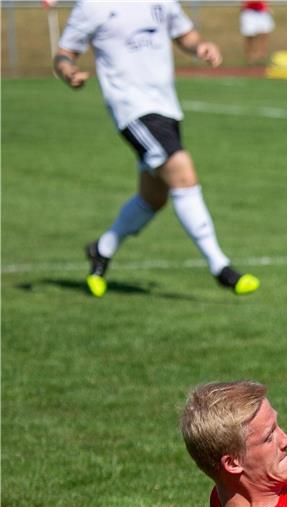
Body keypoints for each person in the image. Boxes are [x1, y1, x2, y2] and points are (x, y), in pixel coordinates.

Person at [53, 1, 259, 298]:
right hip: (131, 109)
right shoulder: (92, 6)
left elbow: (184, 34)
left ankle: (102, 249)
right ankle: (221, 267)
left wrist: (200, 46)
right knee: (182, 174)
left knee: (153, 197)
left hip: (167, 108)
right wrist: (68, 70)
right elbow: (64, 53)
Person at [240, 1, 274, 66]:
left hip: (261, 11)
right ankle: (249, 58)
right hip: (249, 11)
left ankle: (261, 55)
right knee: (249, 36)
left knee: (264, 33)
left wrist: (267, 6)